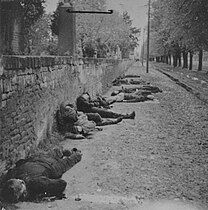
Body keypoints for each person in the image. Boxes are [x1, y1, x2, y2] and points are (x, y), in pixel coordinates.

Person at [0, 148, 82, 203]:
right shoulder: (11, 174)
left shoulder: (36, 182)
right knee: (53, 153)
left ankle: (77, 154)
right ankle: (61, 151)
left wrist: (45, 192)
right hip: (36, 159)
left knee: (67, 162)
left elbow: (62, 183)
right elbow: (19, 163)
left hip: (50, 165)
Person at [56, 102, 123, 139]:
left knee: (96, 116)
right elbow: (65, 132)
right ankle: (113, 121)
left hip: (84, 118)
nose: (70, 110)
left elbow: (80, 113)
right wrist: (76, 136)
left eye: (70, 109)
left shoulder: (74, 111)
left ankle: (112, 121)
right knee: (94, 124)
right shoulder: (67, 121)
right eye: (69, 110)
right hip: (83, 123)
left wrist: (81, 115)